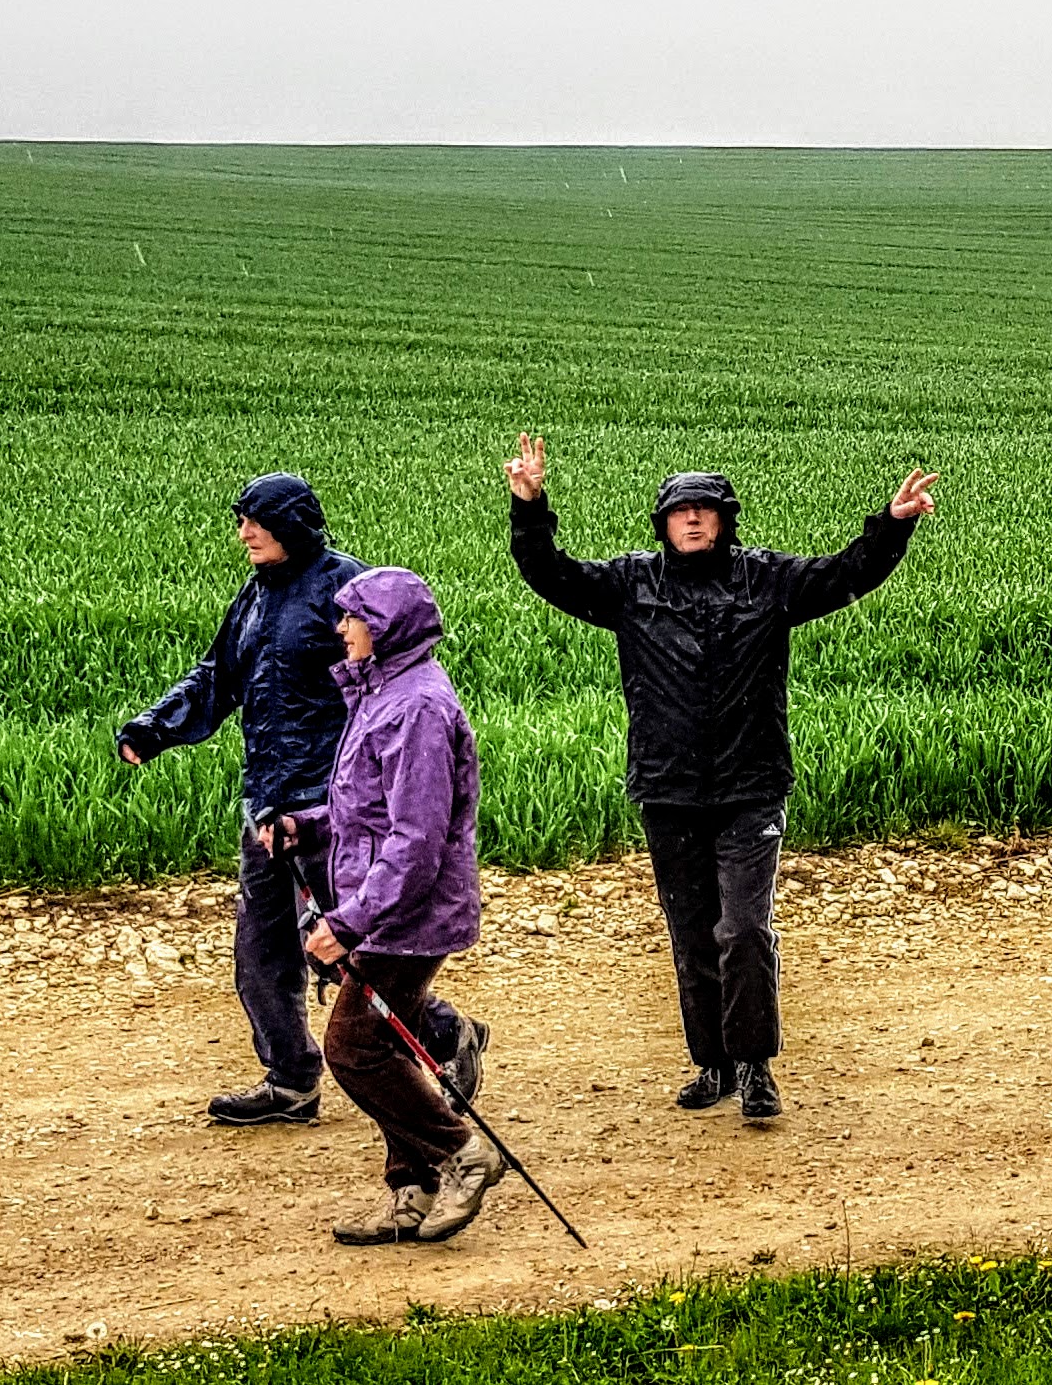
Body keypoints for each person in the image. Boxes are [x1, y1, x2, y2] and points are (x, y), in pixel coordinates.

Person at [505, 434, 938, 1121]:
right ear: (663, 524)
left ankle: (755, 1063)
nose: (692, 519)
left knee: (742, 930)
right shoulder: (630, 585)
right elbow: (550, 574)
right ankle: (713, 1063)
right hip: (667, 788)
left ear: (724, 520)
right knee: (692, 933)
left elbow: (843, 573)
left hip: (750, 785)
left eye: (704, 509)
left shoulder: (767, 580)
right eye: (680, 511)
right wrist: (529, 505)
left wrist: (892, 525)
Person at [116, 472, 483, 1125]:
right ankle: (290, 1081)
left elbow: (391, 681)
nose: (244, 533)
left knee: (345, 951)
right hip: (269, 802)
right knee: (260, 953)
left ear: (292, 523)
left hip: (334, 805)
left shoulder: (346, 588)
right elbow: (219, 675)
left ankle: (444, 1033)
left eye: (256, 521)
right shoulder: (255, 595)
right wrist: (155, 728)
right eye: (241, 521)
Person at [260, 567, 503, 1244]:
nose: (341, 628)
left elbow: (415, 838)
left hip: (408, 913)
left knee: (353, 1047)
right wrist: (306, 826)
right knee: (391, 1044)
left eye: (353, 617)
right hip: (392, 904)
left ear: (387, 627)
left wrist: (348, 922)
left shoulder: (415, 707)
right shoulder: (384, 692)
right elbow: (367, 810)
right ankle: (411, 1190)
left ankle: (461, 1152)